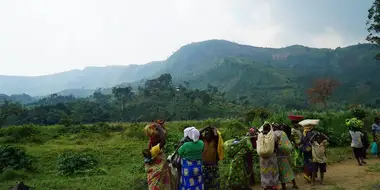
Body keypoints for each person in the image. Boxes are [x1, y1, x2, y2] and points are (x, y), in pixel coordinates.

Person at [144, 120, 173, 190]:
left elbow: (164, 135)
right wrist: (159, 127)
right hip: (158, 179)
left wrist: (160, 127)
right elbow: (163, 140)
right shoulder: (155, 150)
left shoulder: (151, 145)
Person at [199, 125, 224, 190]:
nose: (207, 135)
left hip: (213, 165)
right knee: (205, 183)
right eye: (206, 134)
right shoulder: (203, 140)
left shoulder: (215, 141)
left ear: (212, 135)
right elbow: (198, 132)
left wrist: (214, 129)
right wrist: (206, 127)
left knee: (215, 181)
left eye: (208, 134)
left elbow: (216, 134)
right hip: (204, 165)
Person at [274, 124, 298, 190]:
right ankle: (294, 184)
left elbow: (274, 143)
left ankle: (284, 187)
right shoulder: (283, 133)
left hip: (279, 155)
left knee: (282, 172)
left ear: (275, 128)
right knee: (289, 170)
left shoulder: (275, 134)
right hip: (286, 155)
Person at [259, 123, 280, 190]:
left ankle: (265, 185)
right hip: (272, 155)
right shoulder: (273, 135)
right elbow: (276, 144)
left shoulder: (260, 135)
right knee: (273, 170)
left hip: (262, 157)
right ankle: (273, 186)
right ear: (270, 128)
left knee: (264, 171)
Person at [299, 119, 319, 184]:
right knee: (313, 164)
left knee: (306, 163)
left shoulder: (303, 133)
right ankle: (312, 179)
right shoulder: (312, 133)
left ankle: (307, 175)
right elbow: (314, 141)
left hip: (305, 149)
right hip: (311, 149)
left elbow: (301, 141)